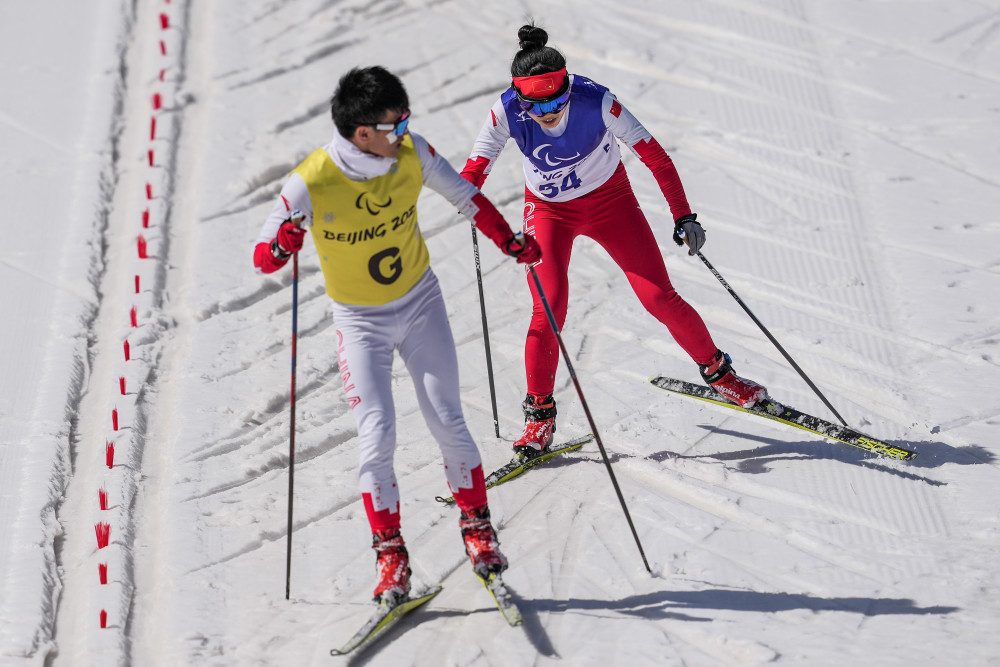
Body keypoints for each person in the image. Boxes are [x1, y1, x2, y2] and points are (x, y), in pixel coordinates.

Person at [253, 66, 541, 605]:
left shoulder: (411, 154)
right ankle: (391, 559)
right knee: (377, 433)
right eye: (396, 123)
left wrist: (510, 242)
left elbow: (468, 199)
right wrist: (285, 243)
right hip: (360, 322)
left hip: (420, 305)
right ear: (363, 132)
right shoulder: (310, 180)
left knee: (447, 418)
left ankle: (478, 531)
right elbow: (262, 257)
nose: (405, 132)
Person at [461, 24, 768, 457]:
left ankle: (721, 375)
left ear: (568, 86)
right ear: (520, 98)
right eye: (536, 104)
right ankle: (539, 416)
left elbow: (655, 156)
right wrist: (466, 196)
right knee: (549, 306)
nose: (548, 112)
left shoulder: (597, 100)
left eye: (557, 99)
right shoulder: (505, 111)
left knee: (659, 297)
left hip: (611, 203)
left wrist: (683, 214)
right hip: (550, 212)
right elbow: (475, 167)